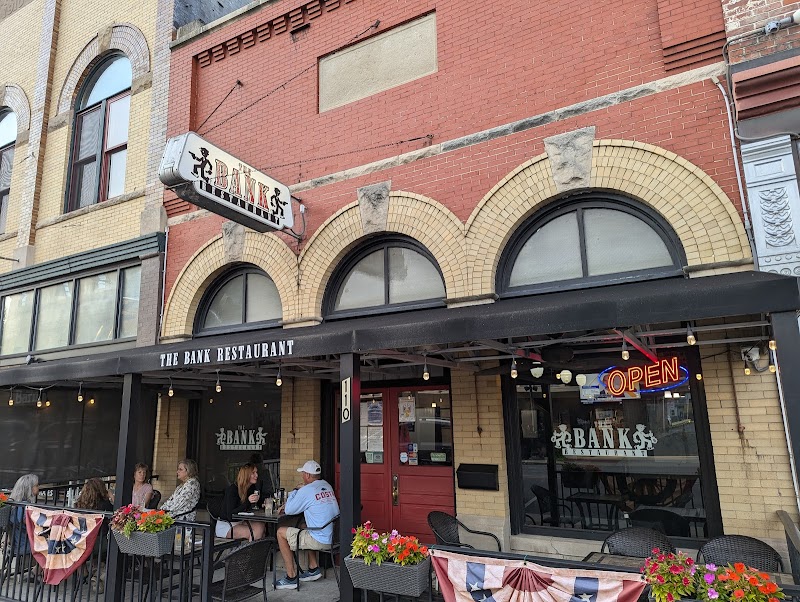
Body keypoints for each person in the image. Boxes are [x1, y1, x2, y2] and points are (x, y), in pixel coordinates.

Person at [275, 460, 339, 590]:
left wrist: (295, 491)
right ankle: (313, 567)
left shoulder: (307, 490)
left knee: (280, 532)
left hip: (321, 539)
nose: (302, 476)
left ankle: (291, 577)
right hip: (334, 537)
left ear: (308, 476)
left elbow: (289, 510)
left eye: (303, 474)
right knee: (304, 526)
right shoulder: (327, 485)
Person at [216, 463, 266, 540]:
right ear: (246, 475)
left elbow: (255, 504)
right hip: (227, 525)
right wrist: (248, 502)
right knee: (255, 532)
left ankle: (259, 550)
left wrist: (262, 503)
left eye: (256, 472)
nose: (256, 475)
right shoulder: (233, 490)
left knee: (261, 526)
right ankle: (251, 551)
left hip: (240, 521)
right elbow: (230, 515)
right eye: (253, 473)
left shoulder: (251, 488)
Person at [8, 474, 38, 556]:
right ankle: (36, 569)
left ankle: (35, 569)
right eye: (36, 485)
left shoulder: (15, 503)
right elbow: (26, 521)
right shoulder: (24, 506)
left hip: (17, 544)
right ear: (29, 488)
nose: (38, 488)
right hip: (25, 545)